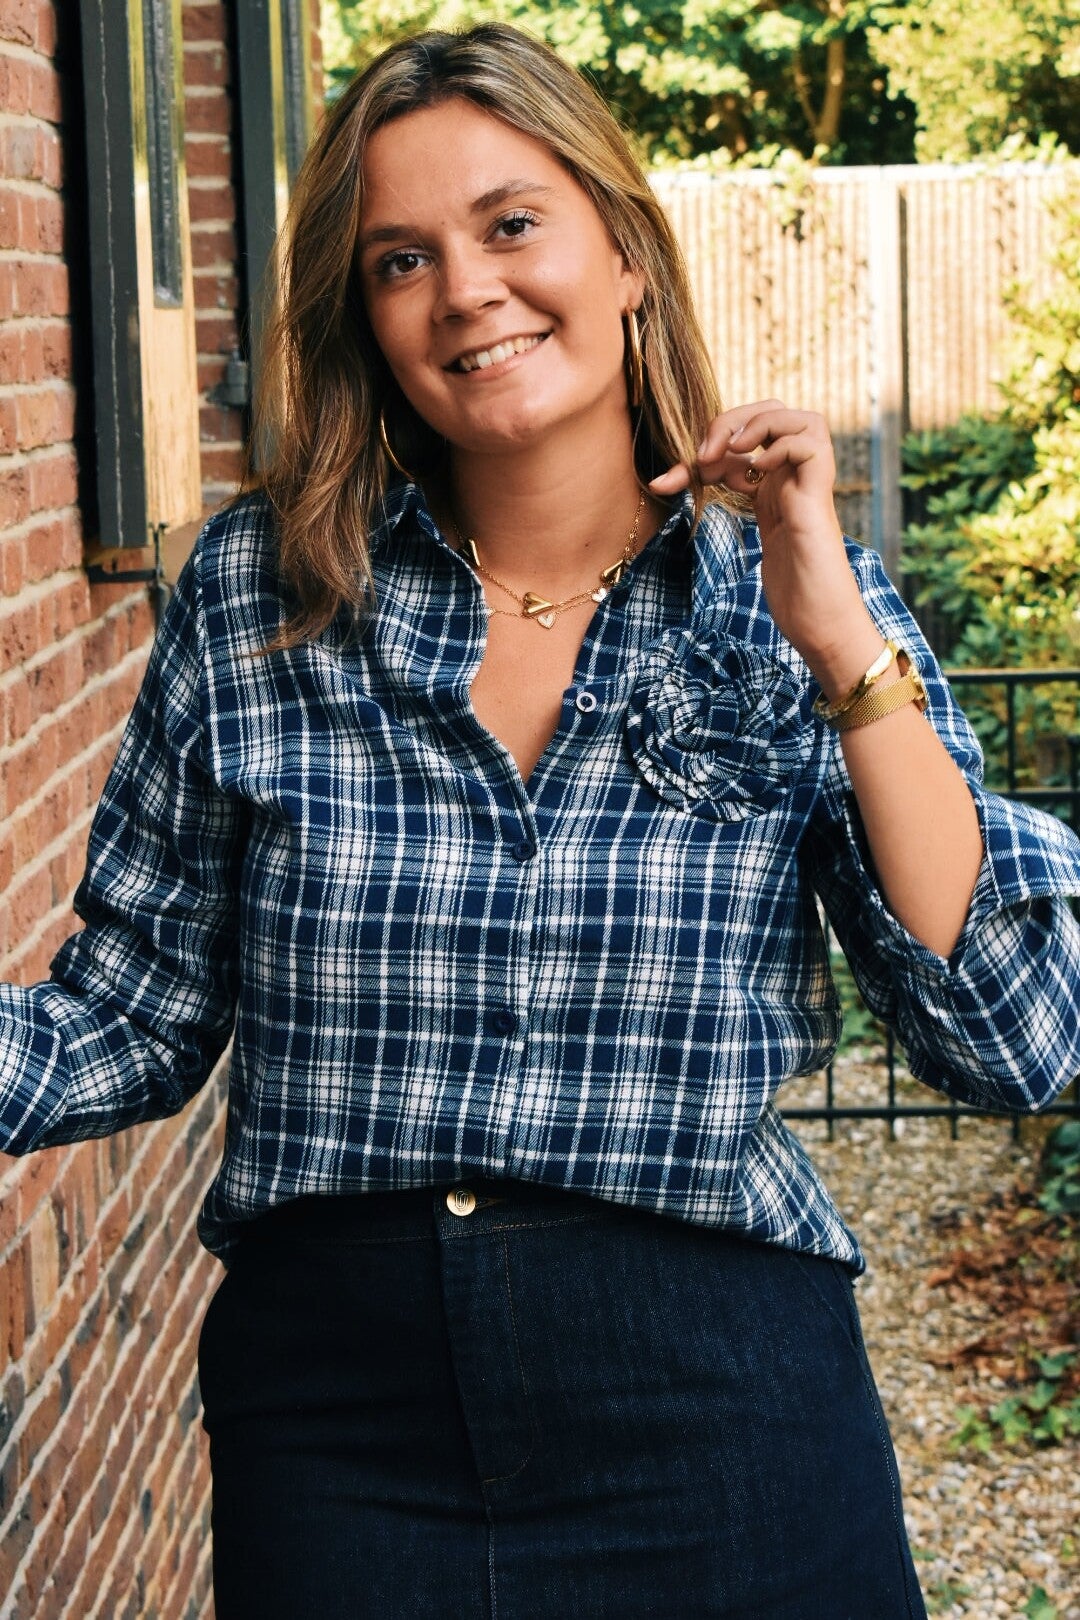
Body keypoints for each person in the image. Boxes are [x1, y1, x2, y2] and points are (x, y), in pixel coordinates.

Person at [2, 21, 1079, 1619]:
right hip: (341, 1426)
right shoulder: (258, 601)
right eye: (400, 258)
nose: (468, 290)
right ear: (364, 319)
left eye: (514, 224)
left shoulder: (794, 606)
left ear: (624, 254)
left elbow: (1011, 1036)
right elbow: (138, 1013)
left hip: (719, 1403)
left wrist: (838, 641)